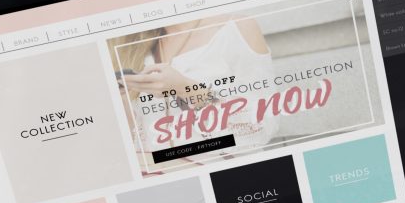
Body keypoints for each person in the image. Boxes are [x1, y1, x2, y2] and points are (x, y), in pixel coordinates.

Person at [109, 14, 279, 172]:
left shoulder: (235, 29)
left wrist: (186, 88)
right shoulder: (130, 46)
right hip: (162, 183)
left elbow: (263, 126)